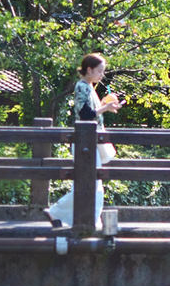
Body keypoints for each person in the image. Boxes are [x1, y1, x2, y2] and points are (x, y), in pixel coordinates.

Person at [44, 53, 124, 227]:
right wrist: (105, 108)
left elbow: (90, 111)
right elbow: (85, 114)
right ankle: (61, 214)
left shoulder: (88, 87)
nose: (101, 75)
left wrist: (104, 106)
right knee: (90, 184)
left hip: (89, 140)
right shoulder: (82, 87)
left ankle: (81, 219)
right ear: (89, 70)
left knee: (92, 184)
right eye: (99, 71)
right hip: (84, 141)